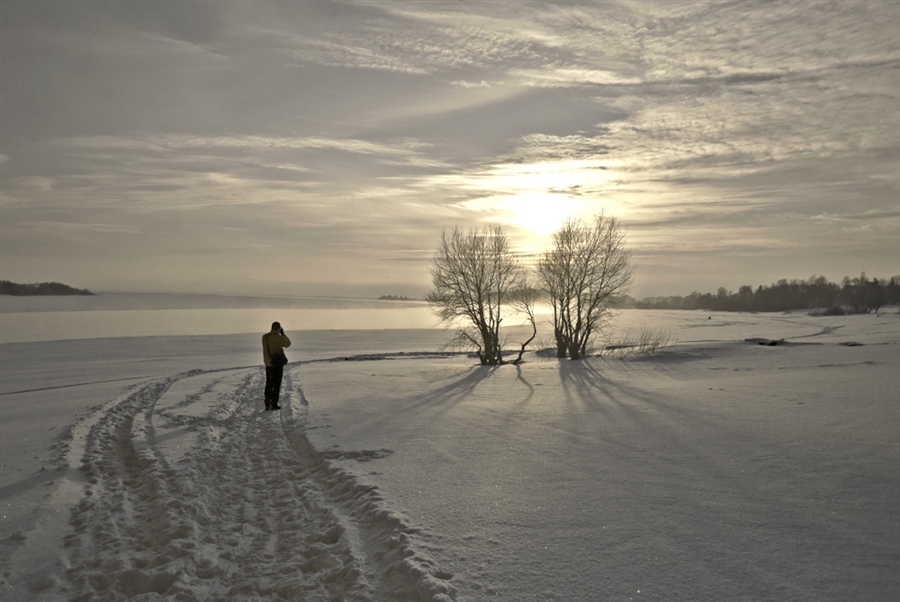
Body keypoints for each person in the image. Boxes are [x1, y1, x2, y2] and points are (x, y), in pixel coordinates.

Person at [262, 321, 292, 411]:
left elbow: (265, 350)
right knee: (277, 384)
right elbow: (288, 344)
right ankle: (274, 403)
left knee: (269, 383)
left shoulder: (265, 337)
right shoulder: (279, 338)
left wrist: (267, 362)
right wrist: (283, 334)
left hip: (269, 363)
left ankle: (267, 403)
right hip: (277, 363)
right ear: (278, 328)